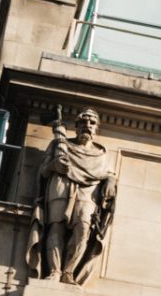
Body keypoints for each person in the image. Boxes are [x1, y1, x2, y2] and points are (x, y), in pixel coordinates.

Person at [31, 108, 119, 285]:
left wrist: (110, 180)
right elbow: (43, 171)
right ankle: (55, 271)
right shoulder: (59, 145)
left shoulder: (100, 153)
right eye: (83, 123)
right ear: (76, 127)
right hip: (61, 185)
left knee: (83, 229)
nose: (87, 126)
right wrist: (54, 165)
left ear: (96, 129)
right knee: (56, 227)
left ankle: (69, 271)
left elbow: (107, 173)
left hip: (89, 192)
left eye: (92, 123)